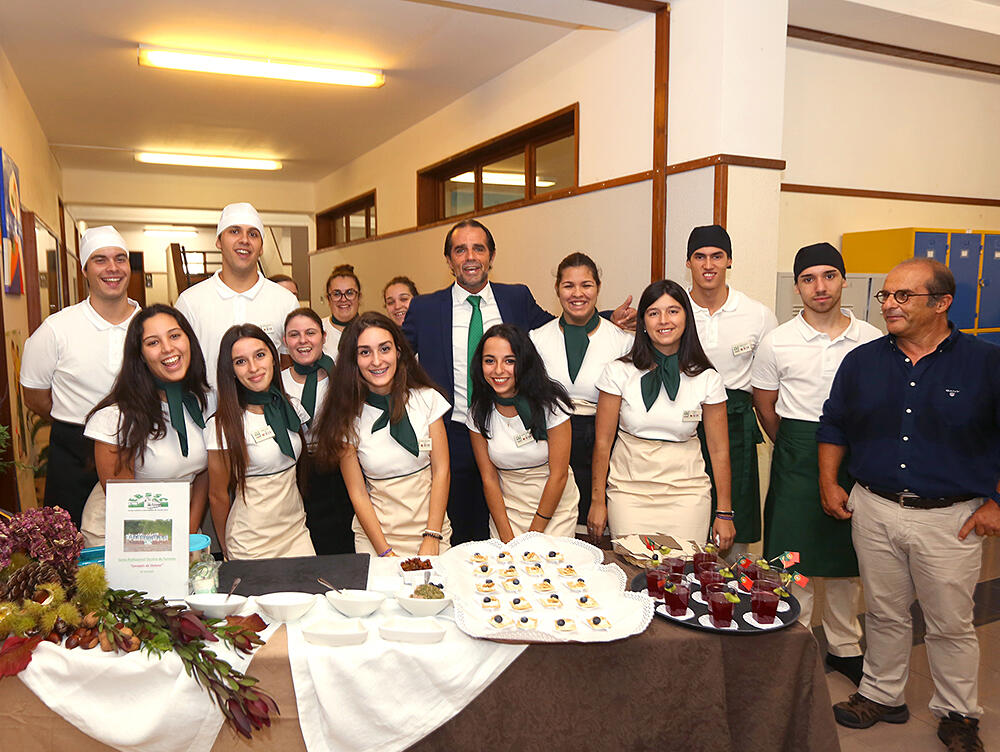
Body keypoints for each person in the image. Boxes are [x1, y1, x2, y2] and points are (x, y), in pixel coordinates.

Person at [817, 258, 1000, 752]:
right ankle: (881, 694)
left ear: (941, 303)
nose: (890, 305)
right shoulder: (863, 360)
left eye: (903, 296)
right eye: (886, 296)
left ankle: (958, 713)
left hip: (951, 518)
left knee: (949, 623)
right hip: (874, 508)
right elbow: (834, 424)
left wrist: (996, 502)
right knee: (882, 612)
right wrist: (830, 482)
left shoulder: (985, 363)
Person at [402, 218, 635, 544]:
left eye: (478, 248)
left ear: (492, 256)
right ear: (449, 260)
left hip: (510, 433)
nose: (470, 257)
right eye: (460, 250)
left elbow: (558, 326)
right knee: (462, 532)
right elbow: (395, 360)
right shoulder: (425, 308)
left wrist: (607, 318)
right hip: (453, 434)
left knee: (502, 527)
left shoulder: (516, 298)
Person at [751, 242, 881, 685]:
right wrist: (792, 443)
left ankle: (845, 645)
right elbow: (765, 404)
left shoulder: (872, 339)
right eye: (808, 278)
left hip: (854, 454)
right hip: (795, 452)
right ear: (797, 287)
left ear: (844, 279)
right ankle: (797, 636)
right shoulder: (777, 340)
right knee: (792, 554)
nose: (819, 287)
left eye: (829, 276)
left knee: (848, 552)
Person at [589, 280, 735, 549]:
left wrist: (724, 512)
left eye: (673, 311)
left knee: (683, 579)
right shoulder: (618, 372)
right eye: (654, 313)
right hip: (629, 492)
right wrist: (597, 501)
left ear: (686, 318)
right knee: (632, 573)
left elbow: (719, 450)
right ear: (643, 321)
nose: (663, 320)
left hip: (687, 494)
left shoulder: (707, 378)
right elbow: (602, 442)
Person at [20, 225, 140, 527]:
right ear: (84, 268)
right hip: (74, 451)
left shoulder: (151, 324)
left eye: (120, 259)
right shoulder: (56, 329)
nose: (112, 268)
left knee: (139, 538)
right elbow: (34, 396)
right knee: (68, 544)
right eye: (100, 260)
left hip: (141, 447)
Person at [314, 312, 452, 557]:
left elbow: (441, 472)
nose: (377, 361)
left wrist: (432, 536)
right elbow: (357, 493)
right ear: (354, 360)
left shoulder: (427, 399)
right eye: (365, 352)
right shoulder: (347, 417)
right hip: (376, 538)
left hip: (432, 531)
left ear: (398, 352)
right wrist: (385, 551)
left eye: (384, 349)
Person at [81, 305, 210, 546]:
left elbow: (202, 475)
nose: (168, 348)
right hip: (124, 534)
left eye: (174, 336)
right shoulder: (116, 418)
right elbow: (125, 502)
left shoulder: (203, 403)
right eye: (153, 342)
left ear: (189, 340)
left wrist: (188, 535)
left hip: (181, 530)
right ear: (139, 355)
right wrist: (169, 546)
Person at [686, 225, 776, 560]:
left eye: (716, 256)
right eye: (700, 256)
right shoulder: (674, 310)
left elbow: (770, 383)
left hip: (736, 424)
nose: (708, 264)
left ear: (729, 261)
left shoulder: (758, 314)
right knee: (689, 520)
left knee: (733, 524)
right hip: (685, 424)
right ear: (689, 262)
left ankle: (732, 596)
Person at [529, 253, 632, 529]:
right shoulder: (537, 339)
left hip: (601, 443)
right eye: (568, 285)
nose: (577, 293)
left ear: (598, 287)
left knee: (596, 531)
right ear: (557, 290)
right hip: (549, 442)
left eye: (586, 285)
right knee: (556, 529)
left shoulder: (621, 342)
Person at [205, 324, 314, 559]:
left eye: (260, 355)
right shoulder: (222, 424)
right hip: (249, 543)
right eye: (240, 361)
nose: (254, 368)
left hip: (296, 533)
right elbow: (217, 495)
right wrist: (225, 549)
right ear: (231, 370)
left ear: (274, 359)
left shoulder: (292, 406)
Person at [468, 324, 578, 541]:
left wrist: (533, 535)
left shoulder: (551, 405)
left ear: (524, 362)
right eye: (490, 361)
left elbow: (559, 475)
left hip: (554, 506)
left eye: (509, 361)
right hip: (507, 510)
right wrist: (506, 535)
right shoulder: (478, 412)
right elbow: (488, 478)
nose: (498, 370)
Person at [175, 202, 298, 392]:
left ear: (261, 246)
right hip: (208, 415)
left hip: (268, 417)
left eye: (253, 234)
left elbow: (289, 364)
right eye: (234, 231)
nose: (244, 240)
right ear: (218, 241)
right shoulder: (190, 302)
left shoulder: (285, 301)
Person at [280, 307, 354, 554]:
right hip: (296, 473)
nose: (303, 341)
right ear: (284, 341)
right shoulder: (276, 383)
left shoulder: (342, 379)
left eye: (310, 333)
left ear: (323, 337)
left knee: (339, 545)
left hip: (338, 471)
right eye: (294, 334)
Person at [322, 264, 362, 358]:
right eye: (336, 294)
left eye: (349, 293)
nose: (343, 299)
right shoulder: (316, 329)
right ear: (328, 299)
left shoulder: (372, 329)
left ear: (359, 297)